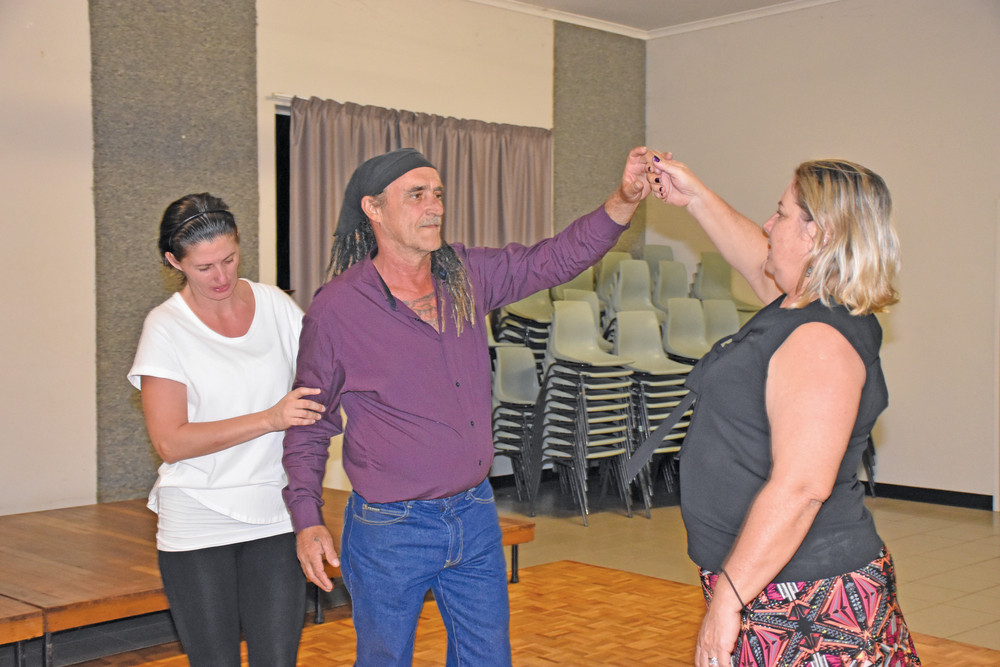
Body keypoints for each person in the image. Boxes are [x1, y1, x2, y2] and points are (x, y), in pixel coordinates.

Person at [282, 147, 652, 665]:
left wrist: (623, 199)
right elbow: (308, 423)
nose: (433, 206)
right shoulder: (338, 308)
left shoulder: (464, 275)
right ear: (373, 208)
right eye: (416, 195)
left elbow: (556, 257)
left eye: (437, 194)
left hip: (474, 513)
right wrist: (307, 517)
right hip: (392, 528)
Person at [646, 154, 920, 666]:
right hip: (773, 582)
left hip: (808, 598)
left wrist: (727, 601)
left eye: (781, 213)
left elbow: (801, 489)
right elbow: (755, 256)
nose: (768, 225)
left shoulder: (819, 340)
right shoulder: (800, 304)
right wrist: (697, 198)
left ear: (818, 234)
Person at [128, 193, 325, 666]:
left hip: (275, 511)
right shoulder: (165, 327)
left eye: (229, 259)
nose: (220, 277)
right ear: (173, 261)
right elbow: (170, 441)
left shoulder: (276, 306)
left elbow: (326, 378)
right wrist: (269, 418)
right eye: (204, 267)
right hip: (198, 516)